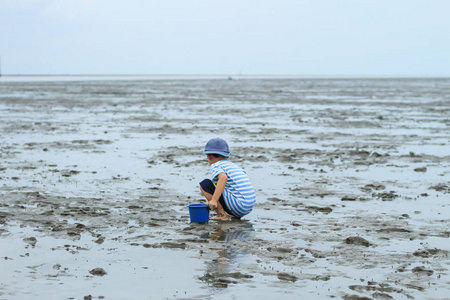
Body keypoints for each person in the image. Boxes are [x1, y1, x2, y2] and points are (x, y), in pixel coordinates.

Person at [199, 138, 256, 220]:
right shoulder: (234, 166)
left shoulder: (216, 165)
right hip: (248, 207)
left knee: (205, 184)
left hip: (238, 207)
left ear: (209, 156)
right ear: (228, 156)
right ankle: (233, 214)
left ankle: (222, 215)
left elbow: (223, 178)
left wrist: (214, 200)